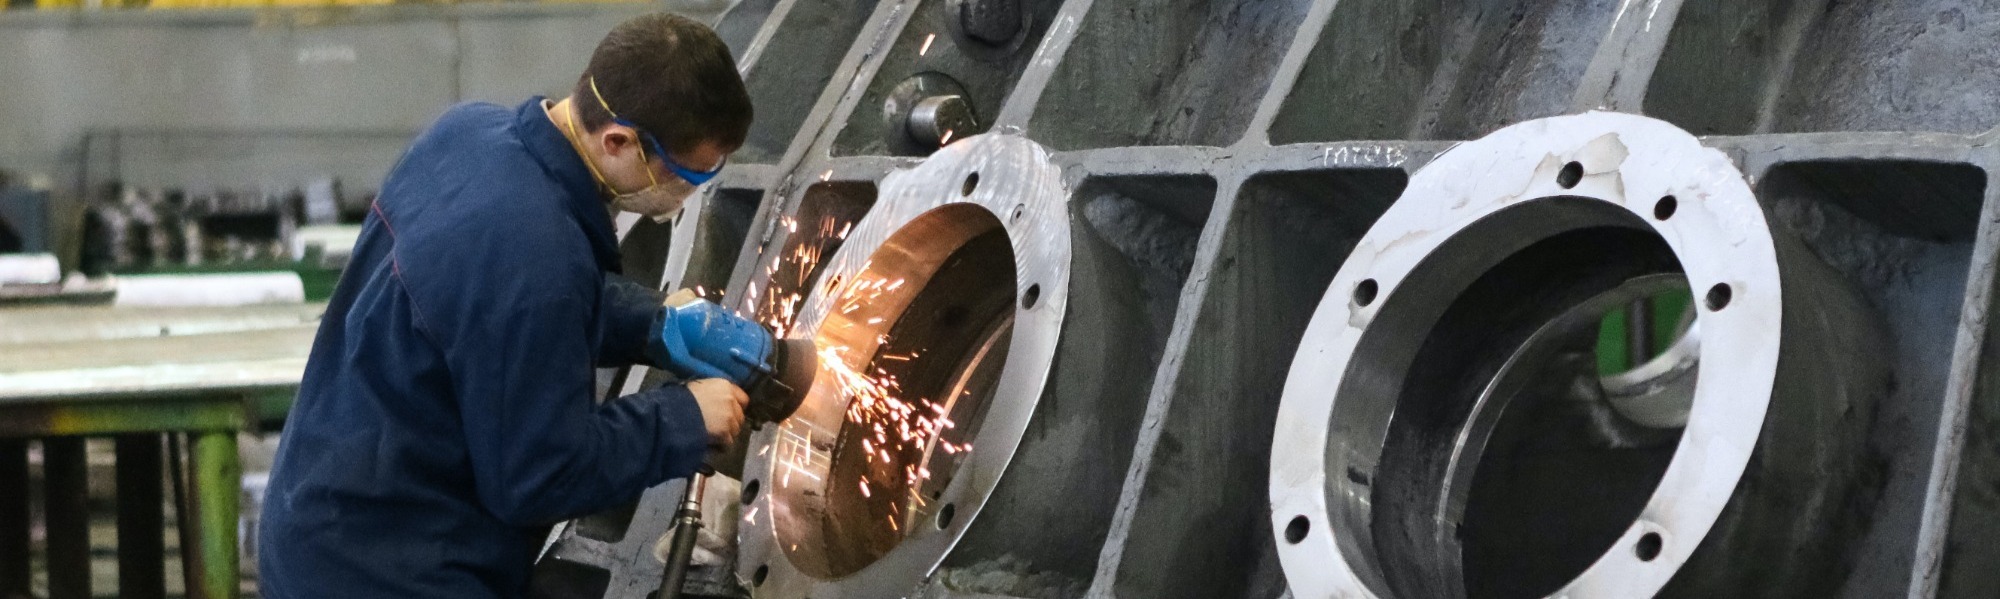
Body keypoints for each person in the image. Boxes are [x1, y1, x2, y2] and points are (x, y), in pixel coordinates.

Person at [259, 13, 754, 598]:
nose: (692, 189)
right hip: (392, 568)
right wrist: (683, 420)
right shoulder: (537, 251)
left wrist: (658, 324)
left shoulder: (468, 133)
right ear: (617, 140)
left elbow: (492, 302)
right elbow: (540, 474)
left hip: (324, 518)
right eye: (688, 172)